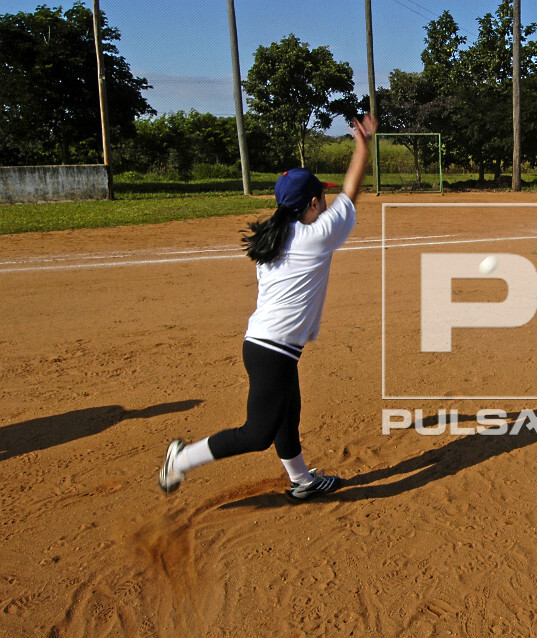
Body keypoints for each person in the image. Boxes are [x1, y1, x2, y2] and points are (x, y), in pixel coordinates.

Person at [158, 113, 379, 501]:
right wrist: (363, 145)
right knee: (258, 433)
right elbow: (351, 191)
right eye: (322, 197)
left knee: (287, 415)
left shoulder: (273, 239)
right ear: (313, 203)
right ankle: (182, 459)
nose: (327, 201)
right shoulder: (316, 236)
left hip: (265, 346)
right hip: (272, 350)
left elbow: (342, 195)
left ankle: (302, 481)